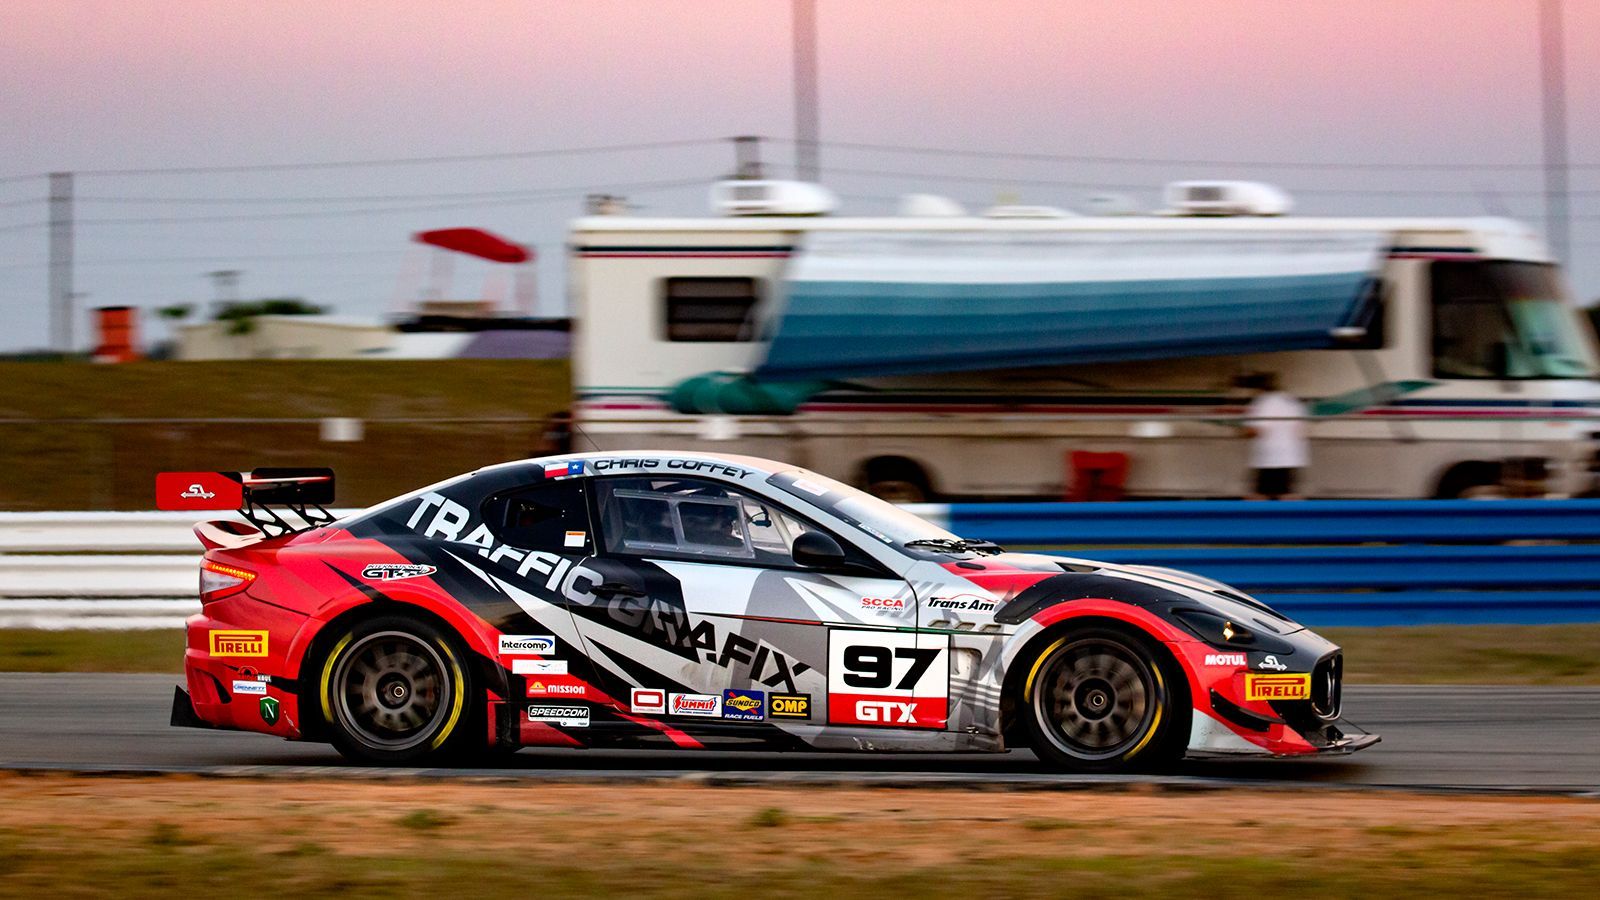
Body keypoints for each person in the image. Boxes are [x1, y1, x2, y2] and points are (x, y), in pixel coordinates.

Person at [1237, 372, 1308, 500]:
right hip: (1291, 456)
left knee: (1258, 496)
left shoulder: (1263, 402)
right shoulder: (1291, 400)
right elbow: (1300, 429)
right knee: (1287, 494)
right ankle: (1301, 513)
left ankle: (1250, 515)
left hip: (1270, 457)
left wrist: (1242, 431)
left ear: (1258, 388)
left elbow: (1258, 430)